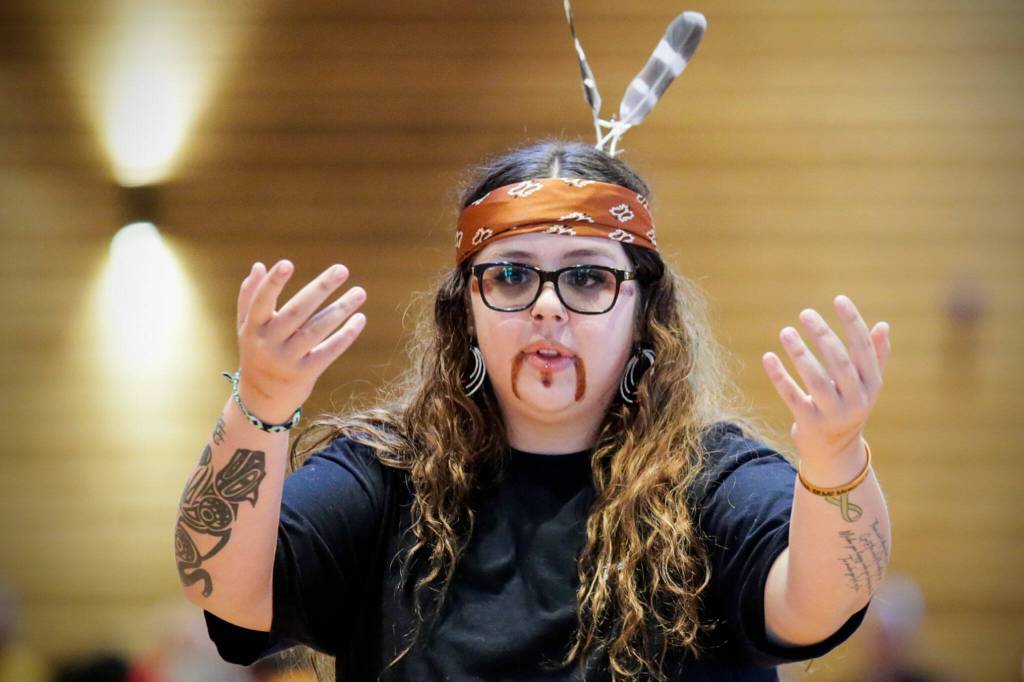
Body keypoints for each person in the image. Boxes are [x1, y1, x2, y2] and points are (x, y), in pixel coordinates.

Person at [175, 139, 893, 681]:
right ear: (467, 312)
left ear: (644, 312)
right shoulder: (386, 475)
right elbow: (227, 589)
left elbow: (816, 606)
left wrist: (835, 459)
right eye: (512, 275)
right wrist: (261, 407)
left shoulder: (713, 480)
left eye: (587, 277)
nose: (549, 307)